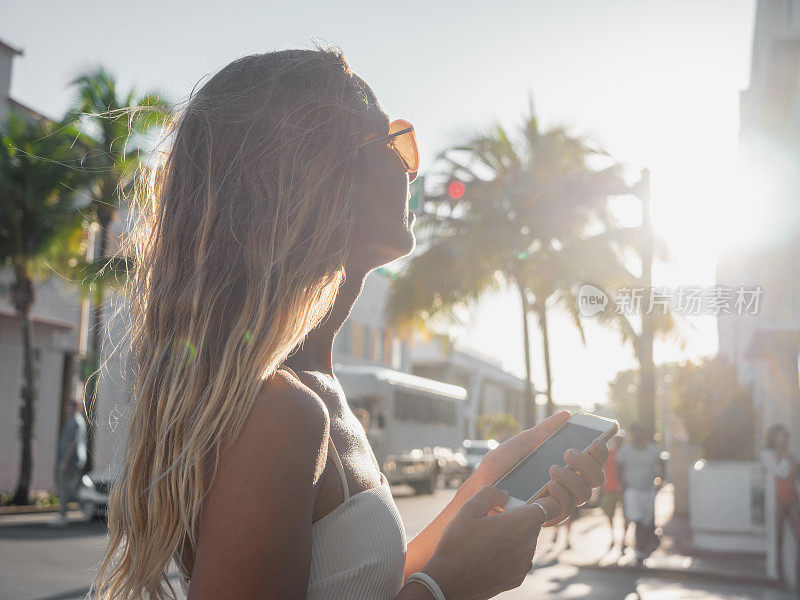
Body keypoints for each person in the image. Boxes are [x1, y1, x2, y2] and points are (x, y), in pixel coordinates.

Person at [90, 47, 609, 600]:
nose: (412, 165)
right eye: (394, 141)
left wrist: (488, 486)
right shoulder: (277, 412)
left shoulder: (314, 385)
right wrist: (449, 588)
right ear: (314, 174)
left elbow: (359, 582)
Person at [615, 423, 661, 565]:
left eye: (641, 432)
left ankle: (640, 548)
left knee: (646, 522)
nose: (639, 436)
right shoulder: (625, 451)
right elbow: (618, 468)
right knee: (638, 521)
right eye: (636, 433)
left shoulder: (653, 450)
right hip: (632, 491)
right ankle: (639, 550)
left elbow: (662, 464)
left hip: (648, 490)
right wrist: (623, 484)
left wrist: (660, 482)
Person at [761, 424, 800, 589]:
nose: (784, 438)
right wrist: (785, 458)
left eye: (786, 435)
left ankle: (797, 577)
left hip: (792, 498)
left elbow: (794, 476)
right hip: (777, 499)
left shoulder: (790, 454)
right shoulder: (767, 454)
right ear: (774, 437)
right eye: (781, 435)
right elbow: (780, 472)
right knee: (778, 539)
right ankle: (778, 577)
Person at [51, 398, 87, 527]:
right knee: (70, 487)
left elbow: (72, 444)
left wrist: (65, 462)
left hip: (71, 460)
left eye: (69, 406)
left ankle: (63, 515)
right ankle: (85, 507)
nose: (66, 409)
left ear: (75, 407)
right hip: (74, 460)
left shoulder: (75, 422)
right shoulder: (75, 421)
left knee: (64, 487)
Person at [599, 434, 626, 550]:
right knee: (610, 515)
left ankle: (623, 540)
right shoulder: (609, 454)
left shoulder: (626, 454)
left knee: (626, 515)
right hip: (610, 488)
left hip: (623, 489)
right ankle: (614, 538)